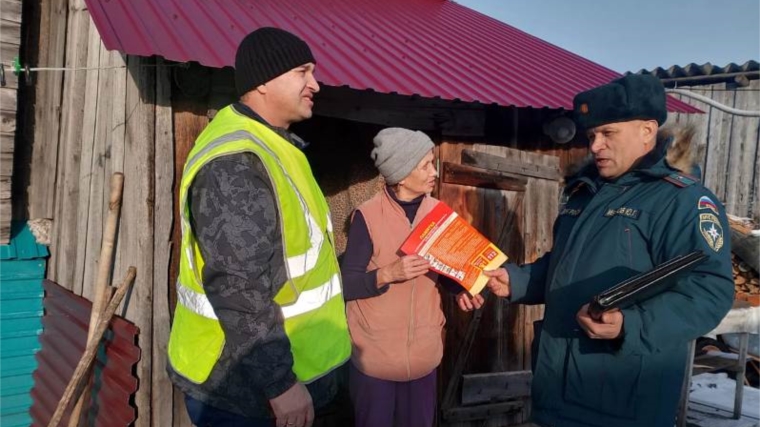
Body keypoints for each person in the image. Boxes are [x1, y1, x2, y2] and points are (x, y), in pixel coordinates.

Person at [476, 74, 734, 427]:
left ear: (647, 131)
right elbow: (565, 266)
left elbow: (709, 290)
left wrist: (631, 325)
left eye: (608, 133)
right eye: (592, 135)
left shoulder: (682, 199)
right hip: (557, 390)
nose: (595, 146)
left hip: (624, 401)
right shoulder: (584, 193)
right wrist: (517, 280)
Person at [166, 27, 351, 427]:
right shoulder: (237, 160)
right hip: (245, 393)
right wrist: (279, 384)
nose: (315, 84)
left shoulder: (278, 147)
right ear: (264, 81)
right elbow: (235, 284)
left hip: (274, 382)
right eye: (303, 71)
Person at [340, 128, 476, 427]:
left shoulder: (438, 212)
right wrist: (389, 273)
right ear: (401, 174)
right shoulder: (367, 216)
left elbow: (445, 271)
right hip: (375, 361)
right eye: (426, 165)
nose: (435, 172)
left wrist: (461, 289)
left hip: (424, 360)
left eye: (433, 162)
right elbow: (346, 285)